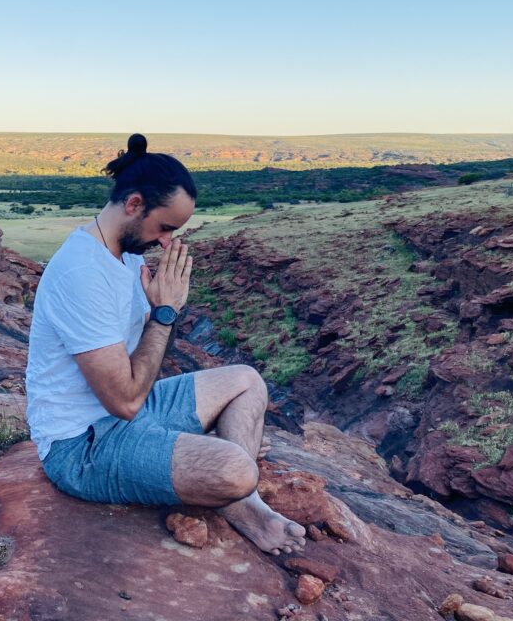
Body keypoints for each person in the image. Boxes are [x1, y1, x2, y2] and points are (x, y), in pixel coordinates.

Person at [25, 133, 306, 555]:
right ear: (134, 204)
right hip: (83, 444)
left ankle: (239, 501)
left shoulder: (126, 256)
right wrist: (165, 312)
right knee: (237, 469)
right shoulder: (82, 274)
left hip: (132, 409)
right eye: (165, 227)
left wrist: (161, 310)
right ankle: (241, 502)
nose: (165, 242)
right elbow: (124, 402)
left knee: (247, 381)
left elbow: (143, 367)